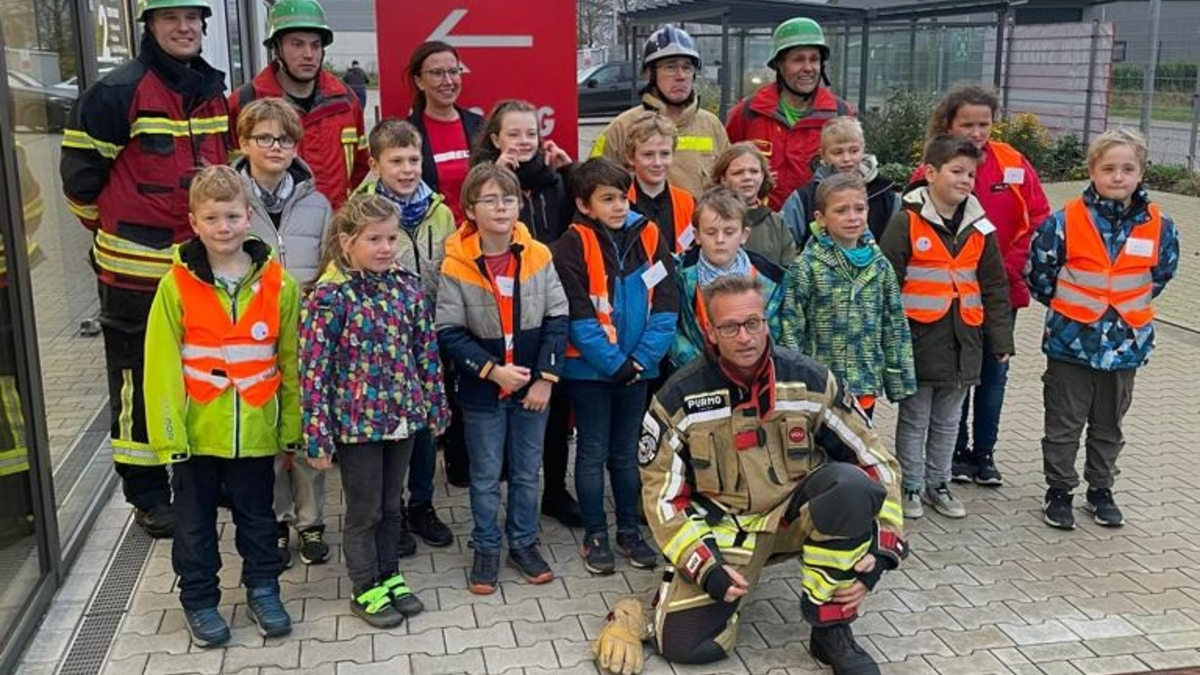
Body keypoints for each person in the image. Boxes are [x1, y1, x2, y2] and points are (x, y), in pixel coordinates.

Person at [591, 274, 907, 675]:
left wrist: (884, 548)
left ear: (765, 322)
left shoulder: (810, 380)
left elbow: (876, 462)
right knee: (686, 645)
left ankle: (830, 628)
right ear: (710, 330)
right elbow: (662, 498)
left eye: (753, 323)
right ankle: (662, 610)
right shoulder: (678, 397)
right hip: (725, 533)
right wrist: (704, 568)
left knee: (852, 486)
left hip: (796, 517)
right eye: (731, 327)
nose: (745, 337)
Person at [60, 0, 231, 539]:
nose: (183, 28)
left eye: (191, 19)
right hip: (134, 276)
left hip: (195, 269)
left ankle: (197, 479)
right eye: (169, 19)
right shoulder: (116, 93)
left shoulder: (210, 92)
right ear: (150, 28)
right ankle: (148, 494)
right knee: (135, 383)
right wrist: (116, 236)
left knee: (196, 374)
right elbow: (79, 187)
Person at [144, 165, 298, 647]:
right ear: (194, 223)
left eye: (232, 215)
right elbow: (161, 366)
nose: (224, 227)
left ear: (249, 217)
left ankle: (263, 589)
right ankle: (199, 600)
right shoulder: (176, 286)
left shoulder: (279, 284)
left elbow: (290, 361)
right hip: (196, 435)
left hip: (256, 430)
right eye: (212, 218)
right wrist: (169, 438)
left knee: (259, 519)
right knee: (194, 527)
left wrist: (290, 427)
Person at [300, 193, 448, 627]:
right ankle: (365, 587)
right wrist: (318, 436)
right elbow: (313, 372)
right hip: (357, 426)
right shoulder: (330, 297)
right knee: (365, 510)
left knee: (391, 504)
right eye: (374, 239)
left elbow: (425, 351)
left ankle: (390, 576)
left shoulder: (406, 285)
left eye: (391, 238)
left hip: (402, 418)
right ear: (347, 241)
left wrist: (435, 405)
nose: (386, 248)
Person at [1027, 129, 1178, 530]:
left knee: (1109, 424)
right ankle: (1058, 491)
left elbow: (1161, 274)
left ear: (1141, 172)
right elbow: (1040, 274)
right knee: (1063, 423)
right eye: (1108, 168)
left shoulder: (1160, 226)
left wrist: (1120, 310)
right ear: (1092, 170)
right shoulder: (1063, 222)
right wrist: (1073, 312)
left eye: (1128, 169)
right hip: (1070, 344)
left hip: (1125, 344)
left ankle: (1100, 490)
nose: (1118, 177)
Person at [436, 163, 569, 594]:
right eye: (489, 199)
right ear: (470, 210)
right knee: (486, 474)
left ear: (520, 205)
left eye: (508, 199)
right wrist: (494, 372)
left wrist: (546, 378)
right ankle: (487, 546)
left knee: (528, 472)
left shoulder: (539, 255)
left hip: (533, 387)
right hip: (483, 391)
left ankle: (524, 542)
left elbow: (557, 316)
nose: (501, 207)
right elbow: (449, 332)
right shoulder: (456, 263)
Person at [918, 85, 1051, 488]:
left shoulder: (1013, 163)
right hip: (949, 297)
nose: (977, 133)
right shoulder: (935, 165)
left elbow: (1040, 219)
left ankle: (985, 454)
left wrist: (1006, 269)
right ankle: (954, 453)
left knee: (994, 374)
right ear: (949, 124)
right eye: (967, 124)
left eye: (984, 124)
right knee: (954, 375)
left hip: (999, 294)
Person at [551, 158, 678, 575]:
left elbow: (666, 304)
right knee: (591, 453)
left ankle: (629, 531)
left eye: (623, 197)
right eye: (608, 199)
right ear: (585, 205)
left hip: (639, 370)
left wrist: (642, 359)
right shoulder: (570, 245)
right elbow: (578, 316)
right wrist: (616, 364)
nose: (620, 206)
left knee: (626, 455)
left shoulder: (650, 234)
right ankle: (595, 535)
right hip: (589, 373)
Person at [879, 135, 1013, 520]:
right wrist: (889, 338)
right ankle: (910, 484)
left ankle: (939, 483)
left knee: (948, 421)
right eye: (957, 171)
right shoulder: (906, 221)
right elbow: (887, 281)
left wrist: (999, 339)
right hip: (918, 340)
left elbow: (994, 287)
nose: (965, 180)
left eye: (971, 174)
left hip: (964, 342)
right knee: (915, 418)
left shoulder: (981, 227)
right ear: (931, 173)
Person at [469, 99, 581, 527]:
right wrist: (498, 177)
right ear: (496, 138)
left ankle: (554, 490)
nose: (522, 142)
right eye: (513, 134)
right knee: (496, 409)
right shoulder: (484, 186)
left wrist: (569, 172)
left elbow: (580, 215)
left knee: (551, 400)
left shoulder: (553, 182)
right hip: (496, 311)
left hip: (548, 305)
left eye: (530, 134)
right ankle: (497, 497)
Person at [233, 97, 332, 568]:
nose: (276, 146)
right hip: (252, 336)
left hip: (307, 333)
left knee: (309, 432)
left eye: (286, 139)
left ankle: (311, 523)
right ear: (245, 142)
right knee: (270, 434)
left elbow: (333, 266)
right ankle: (275, 519)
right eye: (265, 137)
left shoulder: (316, 202)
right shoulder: (230, 201)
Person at [356, 118, 457, 551]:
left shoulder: (441, 210)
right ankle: (389, 512)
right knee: (388, 430)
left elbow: (453, 270)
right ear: (375, 164)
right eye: (395, 160)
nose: (407, 168)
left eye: (414, 159)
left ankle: (422, 504)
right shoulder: (359, 211)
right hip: (380, 341)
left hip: (429, 335)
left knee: (423, 428)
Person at [779, 173, 915, 417]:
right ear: (821, 219)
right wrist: (794, 382)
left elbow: (894, 322)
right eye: (841, 211)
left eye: (859, 209)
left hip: (864, 380)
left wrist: (899, 378)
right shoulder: (807, 266)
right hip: (820, 385)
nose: (852, 217)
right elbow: (791, 325)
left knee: (858, 448)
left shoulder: (879, 264)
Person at [229, 0, 367, 209]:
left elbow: (361, 169)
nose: (309, 54)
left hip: (335, 231)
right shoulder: (244, 103)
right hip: (271, 233)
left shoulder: (345, 102)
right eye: (297, 44)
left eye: (315, 45)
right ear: (277, 48)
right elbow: (230, 176)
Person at [725, 18, 854, 209]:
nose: (808, 68)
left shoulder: (839, 114)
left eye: (814, 59)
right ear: (779, 64)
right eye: (798, 59)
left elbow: (852, 176)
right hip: (759, 227)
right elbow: (725, 170)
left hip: (818, 229)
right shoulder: (748, 113)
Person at [590, 25, 729, 197]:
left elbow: (729, 187)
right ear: (649, 74)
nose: (681, 76)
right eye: (670, 67)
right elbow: (592, 185)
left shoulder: (712, 125)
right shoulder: (622, 127)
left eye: (687, 67)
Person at [671, 186, 784, 369]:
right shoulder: (678, 273)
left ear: (744, 235)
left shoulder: (771, 279)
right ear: (697, 236)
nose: (720, 239)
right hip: (695, 372)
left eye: (729, 232)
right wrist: (699, 365)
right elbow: (671, 327)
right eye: (711, 232)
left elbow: (775, 332)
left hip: (754, 371)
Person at [781, 117, 899, 249]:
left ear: (863, 149)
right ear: (823, 155)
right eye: (837, 152)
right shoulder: (803, 199)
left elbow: (894, 251)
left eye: (854, 151)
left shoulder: (887, 196)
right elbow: (783, 248)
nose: (847, 159)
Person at [407, 40, 484, 223]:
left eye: (453, 71)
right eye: (437, 73)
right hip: (432, 241)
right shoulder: (407, 133)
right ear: (419, 81)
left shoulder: (480, 126)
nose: (448, 81)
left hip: (477, 238)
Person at [711, 143, 796, 269]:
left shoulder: (777, 223)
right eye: (738, 173)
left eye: (754, 171)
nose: (747, 177)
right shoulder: (709, 218)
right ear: (723, 179)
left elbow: (790, 272)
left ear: (762, 176)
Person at [624, 113, 697, 255]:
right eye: (648, 155)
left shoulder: (687, 201)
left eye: (664, 154)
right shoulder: (621, 201)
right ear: (631, 158)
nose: (657, 163)